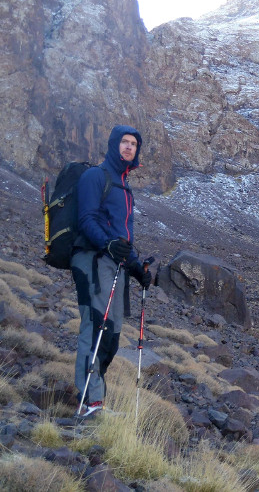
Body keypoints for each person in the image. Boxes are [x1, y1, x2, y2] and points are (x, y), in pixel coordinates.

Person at [71, 125, 152, 417]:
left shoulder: (125, 188)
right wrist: (108, 245)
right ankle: (89, 402)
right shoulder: (96, 177)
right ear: (113, 145)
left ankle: (96, 401)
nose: (129, 147)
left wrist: (136, 267)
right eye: (124, 142)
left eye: (134, 143)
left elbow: (122, 237)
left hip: (114, 265)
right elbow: (86, 220)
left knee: (112, 334)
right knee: (95, 326)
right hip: (92, 260)